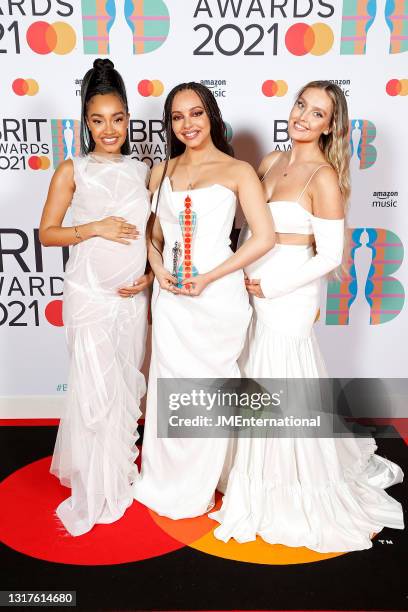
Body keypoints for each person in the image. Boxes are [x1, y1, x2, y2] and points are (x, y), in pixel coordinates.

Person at [210, 81, 404, 552]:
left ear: (329, 125)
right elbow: (248, 227)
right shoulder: (271, 162)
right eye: (301, 105)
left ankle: (284, 483)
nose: (303, 116)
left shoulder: (323, 178)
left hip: (288, 294)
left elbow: (330, 256)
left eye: (317, 113)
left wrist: (273, 285)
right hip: (250, 288)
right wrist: (238, 274)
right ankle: (244, 469)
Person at [133, 82, 275, 519]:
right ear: (169, 124)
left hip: (218, 297)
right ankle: (169, 479)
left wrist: (210, 277)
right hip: (173, 299)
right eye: (178, 117)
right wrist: (158, 272)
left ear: (211, 115)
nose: (187, 124)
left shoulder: (238, 171)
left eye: (196, 113)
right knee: (170, 387)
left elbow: (265, 237)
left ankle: (210, 477)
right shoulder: (162, 172)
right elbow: (152, 237)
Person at [39, 59, 152, 536]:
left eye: (118, 118)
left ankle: (118, 474)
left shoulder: (143, 169)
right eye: (98, 120)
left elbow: (153, 234)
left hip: (132, 300)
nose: (109, 129)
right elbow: (47, 234)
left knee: (125, 389)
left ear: (129, 118)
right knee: (95, 392)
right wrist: (94, 228)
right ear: (85, 122)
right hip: (88, 295)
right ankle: (95, 483)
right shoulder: (73, 170)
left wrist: (148, 275)